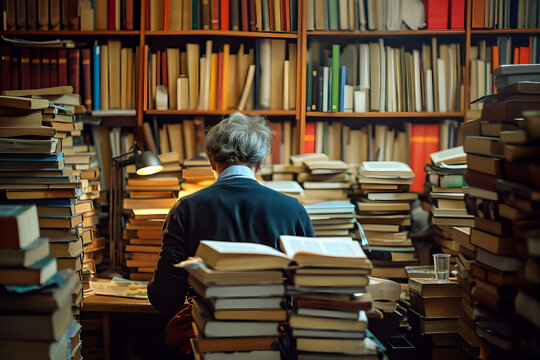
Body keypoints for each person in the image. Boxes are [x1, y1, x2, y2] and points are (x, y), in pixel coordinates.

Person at [147, 112, 315, 315]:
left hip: (206, 334)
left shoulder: (184, 210)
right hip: (273, 334)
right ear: (261, 162)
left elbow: (165, 298)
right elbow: (309, 292)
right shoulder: (293, 210)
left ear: (210, 160)